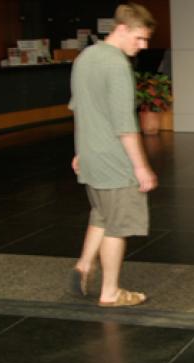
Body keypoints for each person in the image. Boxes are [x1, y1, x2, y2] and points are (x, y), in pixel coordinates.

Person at [68, 3, 157, 307]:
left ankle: (83, 265)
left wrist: (81, 151)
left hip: (91, 157)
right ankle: (111, 291)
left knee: (102, 215)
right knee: (118, 226)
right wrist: (142, 168)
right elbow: (124, 125)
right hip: (114, 160)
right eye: (139, 39)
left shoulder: (85, 57)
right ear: (121, 28)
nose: (143, 46)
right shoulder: (117, 65)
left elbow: (79, 109)